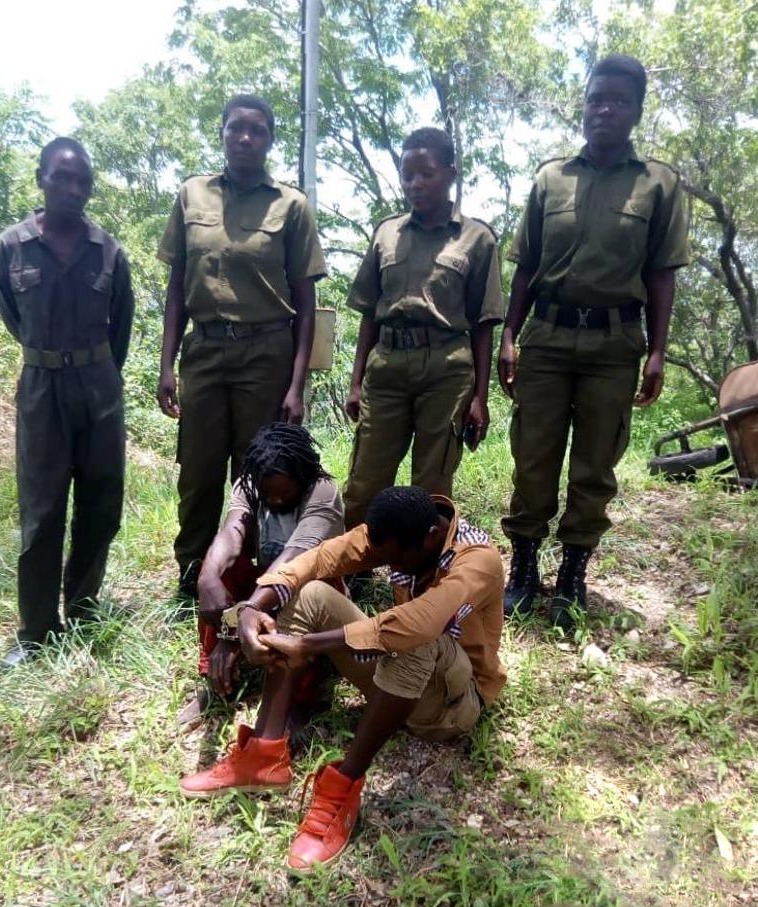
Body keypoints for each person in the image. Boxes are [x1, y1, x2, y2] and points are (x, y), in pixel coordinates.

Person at [178, 486, 506, 872]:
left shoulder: (478, 561)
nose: (386, 565)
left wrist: (308, 644)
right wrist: (254, 607)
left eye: (395, 559)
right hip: (402, 678)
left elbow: (420, 623)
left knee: (417, 633)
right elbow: (317, 559)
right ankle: (264, 757)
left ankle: (342, 788)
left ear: (432, 538)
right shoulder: (402, 528)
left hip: (452, 704)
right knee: (312, 593)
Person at [498, 54, 688, 628]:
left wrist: (657, 349)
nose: (604, 109)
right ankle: (525, 565)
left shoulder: (658, 183)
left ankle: (573, 572)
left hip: (615, 341)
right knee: (533, 455)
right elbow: (525, 267)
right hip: (548, 336)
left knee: (596, 460)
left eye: (617, 101)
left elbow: (662, 274)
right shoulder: (551, 178)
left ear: (635, 110)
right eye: (595, 99)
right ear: (584, 105)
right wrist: (509, 334)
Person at [157, 93, 327, 597]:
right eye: (236, 128)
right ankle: (193, 573)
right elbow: (175, 289)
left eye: (256, 130)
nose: (245, 138)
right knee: (200, 469)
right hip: (205, 352)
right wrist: (166, 366)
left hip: (266, 352)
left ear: (270, 139)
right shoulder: (192, 195)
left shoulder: (291, 206)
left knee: (258, 471)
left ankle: (245, 573)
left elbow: (306, 303)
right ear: (223, 132)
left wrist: (297, 385)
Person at [0, 137, 134, 668]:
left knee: (101, 504)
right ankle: (35, 631)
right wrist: (50, 359)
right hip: (40, 388)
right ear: (41, 178)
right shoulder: (12, 246)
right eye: (62, 178)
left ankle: (83, 606)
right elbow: (13, 316)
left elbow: (121, 325)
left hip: (99, 386)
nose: (73, 190)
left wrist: (95, 372)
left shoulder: (108, 250)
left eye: (82, 182)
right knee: (42, 511)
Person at [342, 127, 504, 530]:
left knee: (432, 486)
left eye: (426, 173)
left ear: (450, 173)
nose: (415, 183)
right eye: (407, 174)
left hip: (446, 370)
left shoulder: (476, 238)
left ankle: (425, 575)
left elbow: (484, 324)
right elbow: (368, 312)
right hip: (388, 365)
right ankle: (353, 568)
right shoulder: (386, 233)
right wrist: (356, 380)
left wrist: (480, 397)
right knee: (365, 478)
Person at [178, 422, 345, 726]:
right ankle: (218, 677)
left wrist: (247, 611)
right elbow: (232, 532)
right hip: (265, 582)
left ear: (302, 478)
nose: (275, 500)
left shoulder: (322, 490)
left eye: (285, 492)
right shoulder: (250, 483)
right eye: (268, 495)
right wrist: (208, 579)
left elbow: (297, 557)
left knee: (308, 588)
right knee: (220, 569)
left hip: (309, 581)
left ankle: (303, 696)